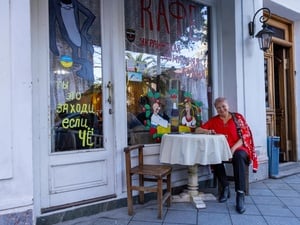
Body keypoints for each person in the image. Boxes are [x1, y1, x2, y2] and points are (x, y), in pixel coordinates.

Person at [195, 97, 258, 214]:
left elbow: (245, 135)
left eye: (223, 106)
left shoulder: (237, 118)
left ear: (228, 106)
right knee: (214, 155)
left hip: (239, 149)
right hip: (223, 150)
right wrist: (207, 131)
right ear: (216, 109)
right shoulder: (214, 121)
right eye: (218, 108)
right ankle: (225, 187)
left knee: (238, 157)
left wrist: (232, 149)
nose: (222, 109)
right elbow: (197, 130)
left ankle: (240, 194)